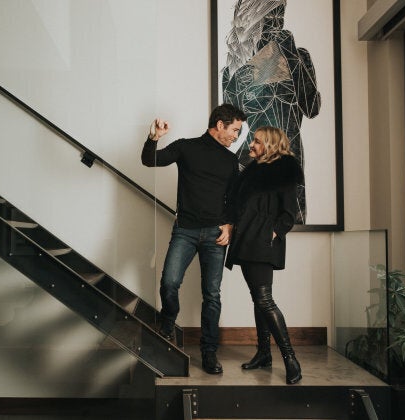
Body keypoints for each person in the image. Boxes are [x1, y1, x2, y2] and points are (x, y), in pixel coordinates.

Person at [141, 104, 245, 374]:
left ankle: (209, 353)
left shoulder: (230, 160)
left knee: (212, 295)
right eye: (235, 129)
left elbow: (234, 199)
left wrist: (230, 226)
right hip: (185, 230)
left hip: (215, 235)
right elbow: (150, 160)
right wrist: (153, 138)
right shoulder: (186, 147)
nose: (237, 135)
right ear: (220, 124)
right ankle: (167, 325)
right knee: (169, 282)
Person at [222, 0, 320, 223]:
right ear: (252, 20)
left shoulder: (299, 56)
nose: (277, 23)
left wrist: (290, 55)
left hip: (289, 160)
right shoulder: (234, 69)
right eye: (269, 16)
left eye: (280, 15)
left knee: (289, 226)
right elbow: (231, 126)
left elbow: (312, 108)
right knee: (248, 233)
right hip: (250, 164)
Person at [225, 125, 303, 384]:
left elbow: (289, 214)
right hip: (246, 240)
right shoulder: (252, 171)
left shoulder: (284, 170)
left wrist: (268, 234)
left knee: (264, 299)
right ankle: (263, 353)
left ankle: (290, 358)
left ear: (270, 144)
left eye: (257, 142)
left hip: (260, 243)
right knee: (258, 299)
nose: (252, 145)